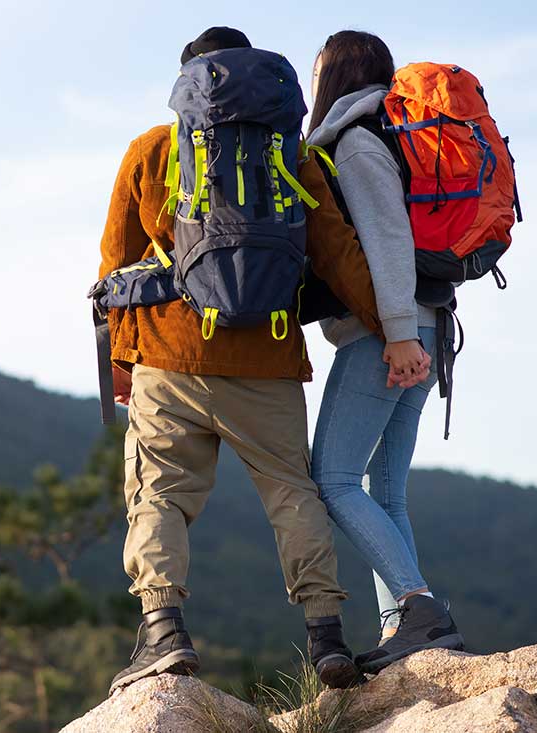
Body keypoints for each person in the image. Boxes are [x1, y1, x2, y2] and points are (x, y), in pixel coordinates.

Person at [100, 26, 414, 693]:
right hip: (267, 358)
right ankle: (327, 639)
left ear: (187, 85)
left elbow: (115, 267)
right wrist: (392, 329)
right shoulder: (291, 152)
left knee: (159, 492)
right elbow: (335, 251)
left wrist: (123, 367)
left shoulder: (151, 151)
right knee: (291, 492)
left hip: (167, 355)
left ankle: (163, 632)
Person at [305, 30, 465, 673]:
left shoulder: (358, 141)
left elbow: (388, 240)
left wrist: (397, 333)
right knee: (385, 489)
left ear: (333, 73)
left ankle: (417, 605)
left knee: (333, 479)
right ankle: (409, 627)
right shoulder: (397, 134)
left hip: (393, 335)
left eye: (315, 67)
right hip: (427, 330)